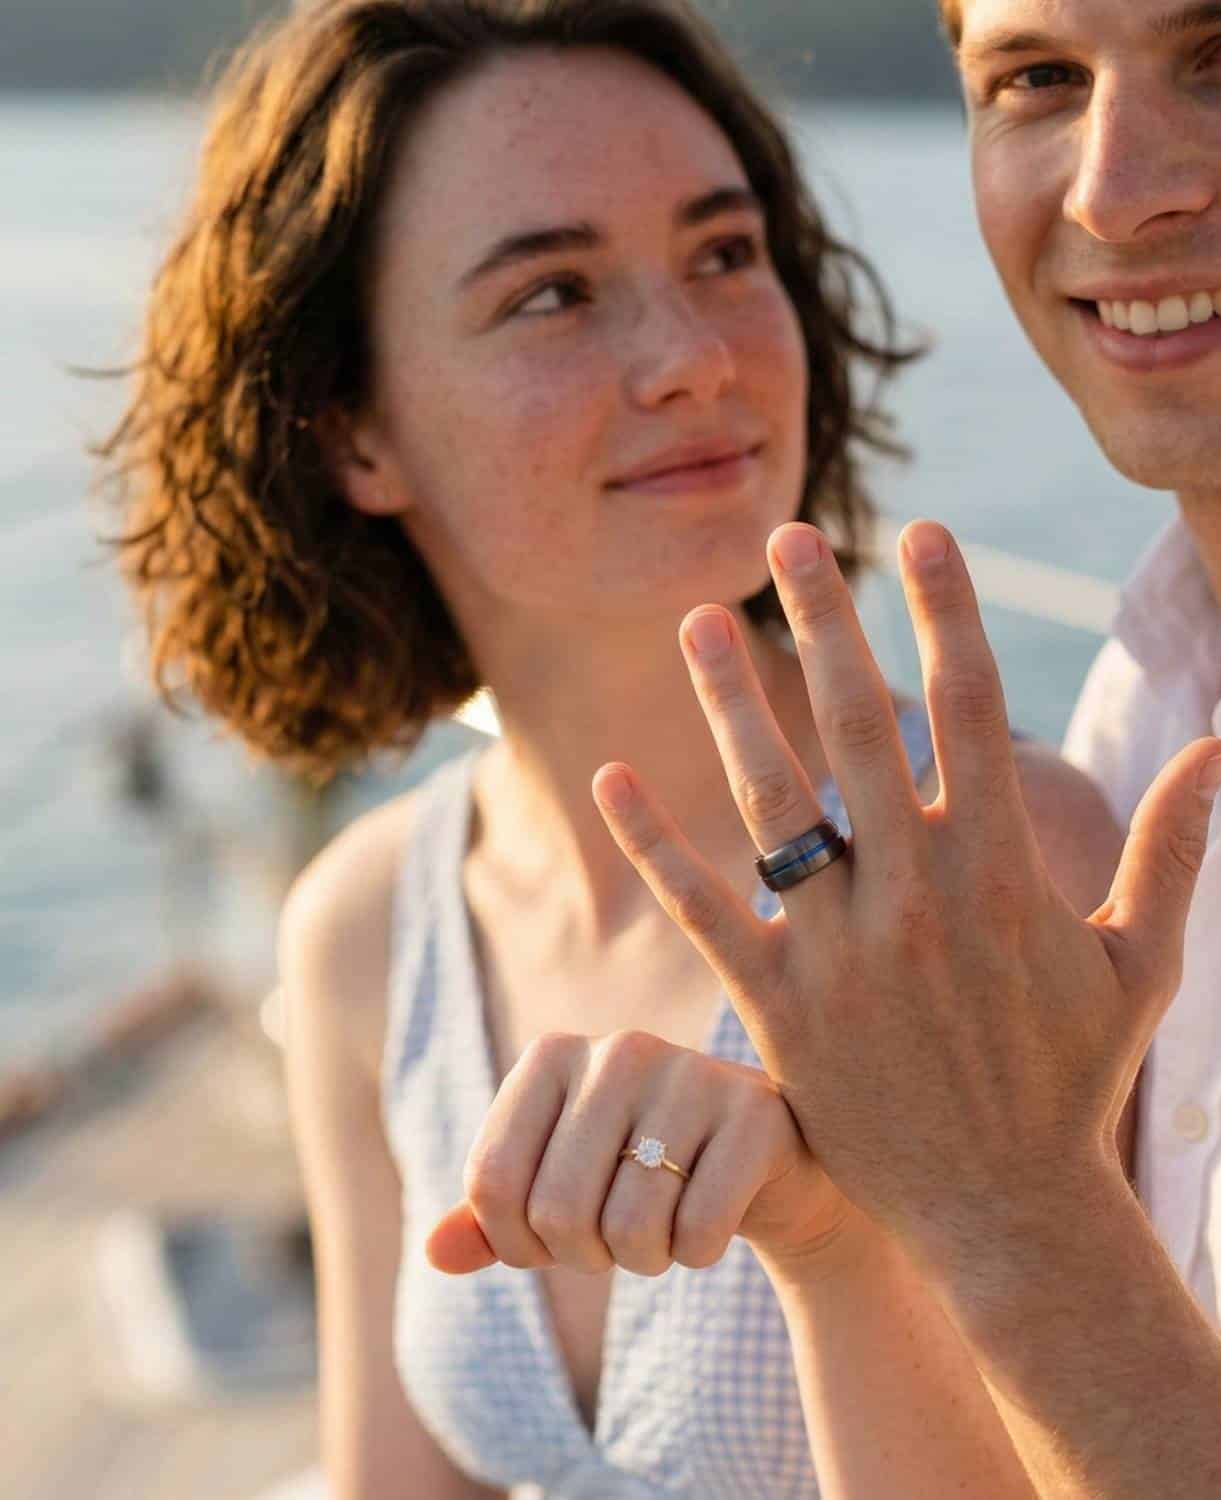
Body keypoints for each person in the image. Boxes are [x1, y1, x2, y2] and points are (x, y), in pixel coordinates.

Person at [443, 0, 1221, 1496]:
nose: (1116, 190)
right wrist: (843, 1241)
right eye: (1038, 78)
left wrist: (996, 1199)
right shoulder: (1151, 706)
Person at [95, 1, 1124, 1496]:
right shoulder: (372, 934)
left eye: (723, 254)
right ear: (354, 432)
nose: (693, 358)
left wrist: (831, 1249)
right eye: (552, 294)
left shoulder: (1010, 858)